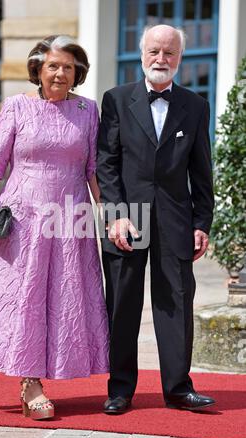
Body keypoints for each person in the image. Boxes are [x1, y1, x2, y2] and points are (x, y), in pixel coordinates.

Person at [0, 35, 109, 420]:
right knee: (25, 298)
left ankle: (48, 373)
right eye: (53, 66)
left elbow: (93, 169)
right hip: (24, 219)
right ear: (38, 70)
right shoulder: (16, 107)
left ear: (77, 72)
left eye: (68, 67)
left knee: (62, 299)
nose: (60, 73)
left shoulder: (87, 110)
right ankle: (30, 384)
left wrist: (109, 213)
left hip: (70, 219)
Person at [97, 25, 215, 414]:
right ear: (141, 53)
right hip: (126, 219)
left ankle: (179, 388)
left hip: (176, 220)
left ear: (179, 58)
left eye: (169, 53)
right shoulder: (115, 99)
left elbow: (202, 171)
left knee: (176, 306)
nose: (161, 59)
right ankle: (120, 390)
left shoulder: (195, 105)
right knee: (122, 306)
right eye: (154, 51)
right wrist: (115, 216)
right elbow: (106, 164)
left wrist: (202, 222)